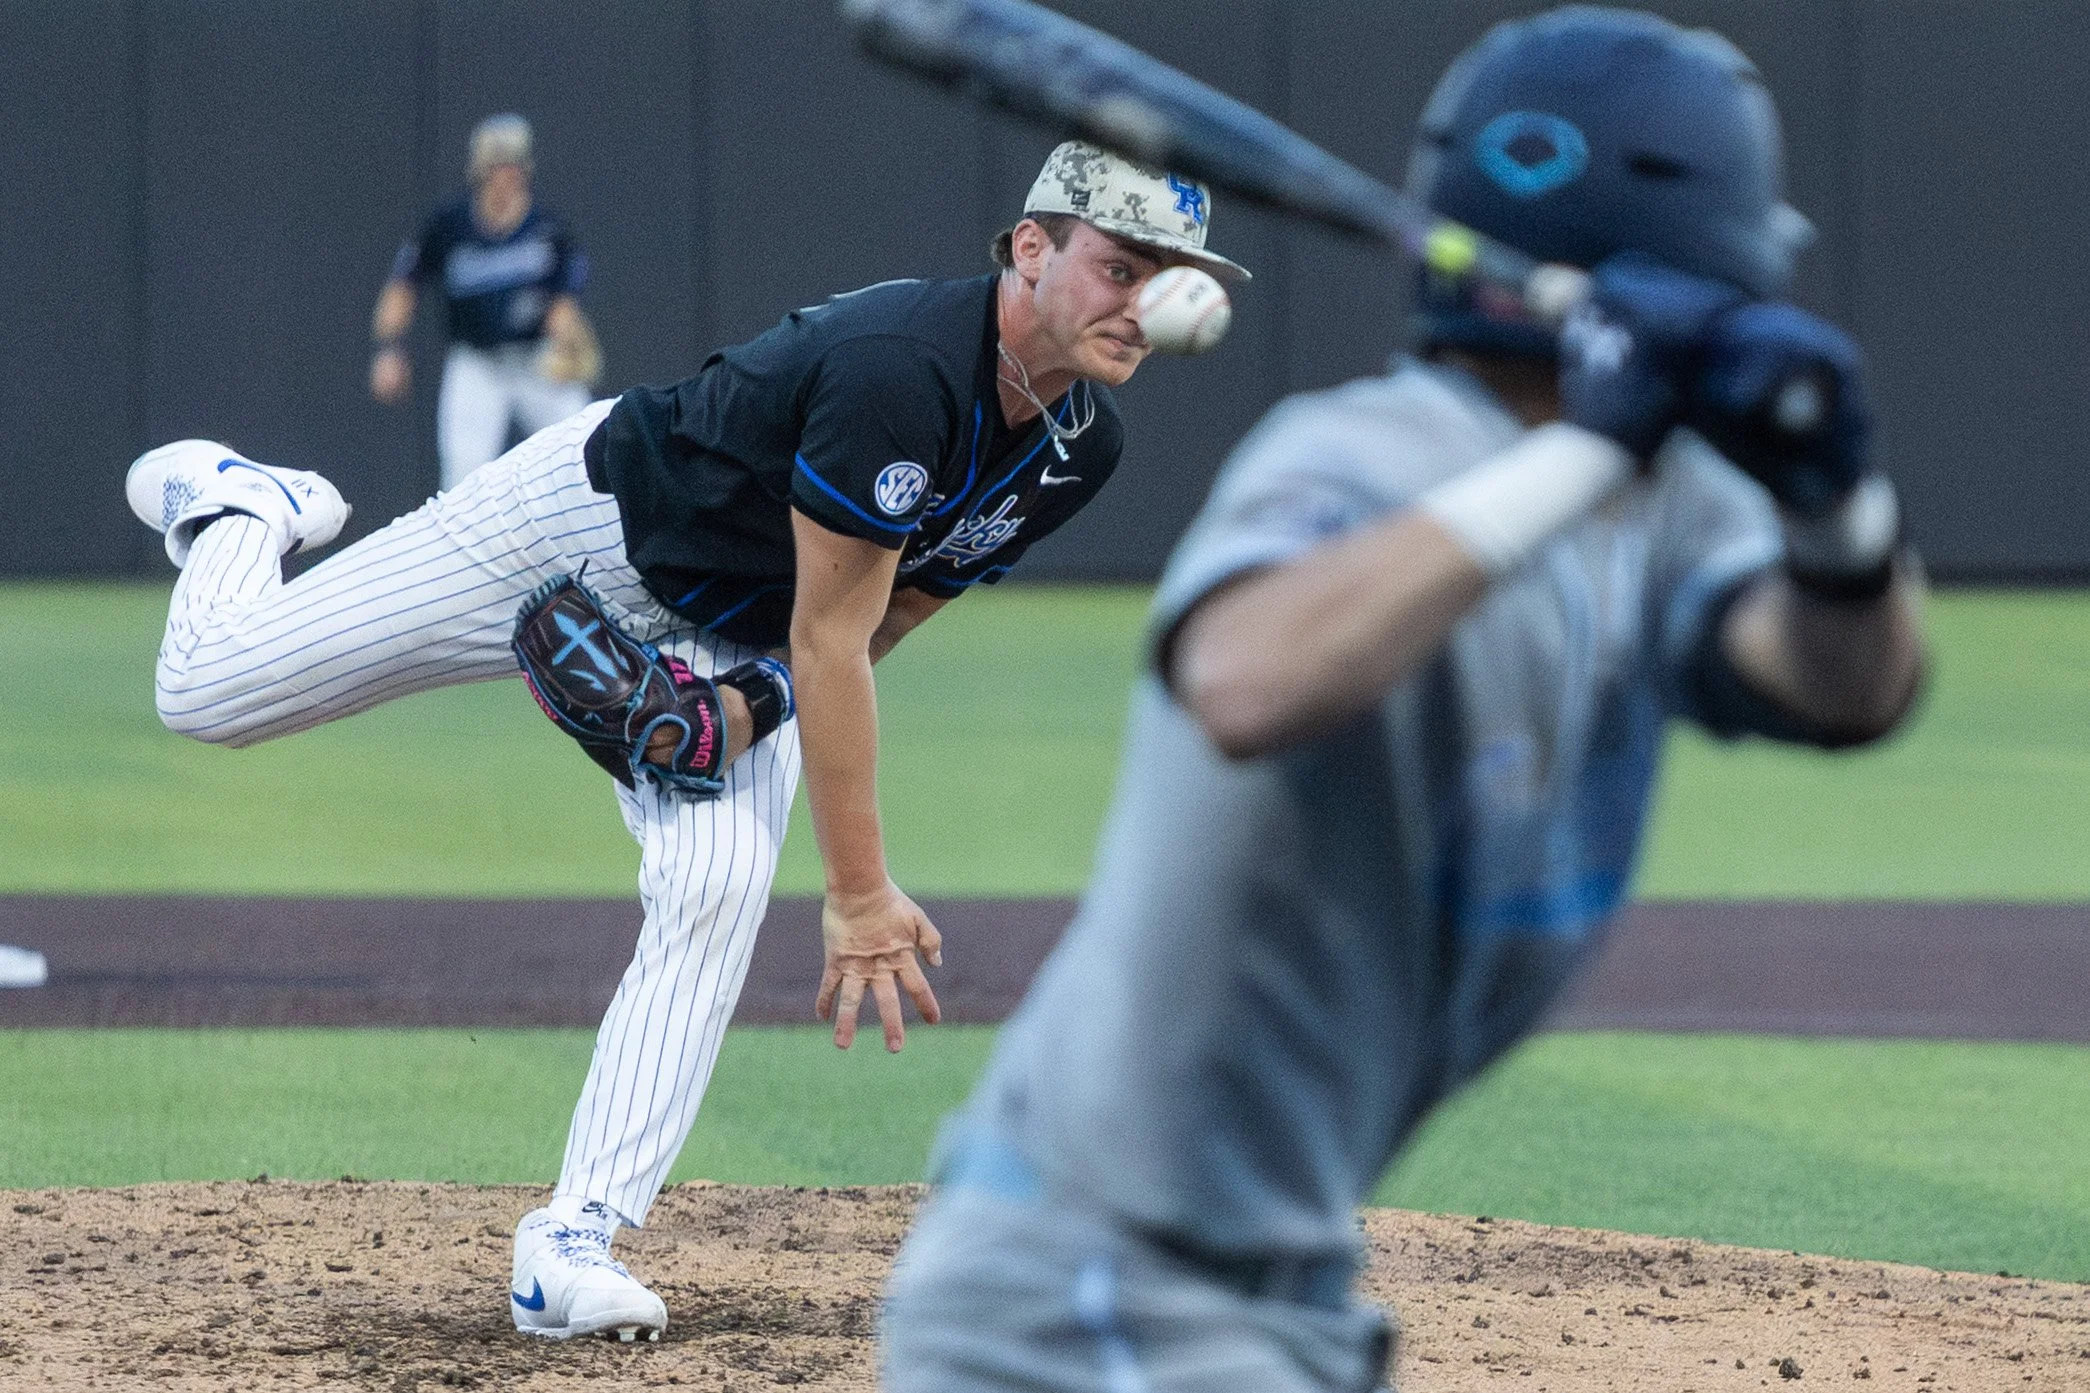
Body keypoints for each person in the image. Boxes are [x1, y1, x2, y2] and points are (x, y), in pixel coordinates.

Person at [879, 10, 1925, 1391]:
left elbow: (1843, 688)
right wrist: (1585, 456)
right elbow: (1242, 680)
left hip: (1270, 1300)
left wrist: (1837, 511)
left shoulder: (1666, 513)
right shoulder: (1364, 455)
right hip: (1087, 1292)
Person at [121, 141, 1249, 1344]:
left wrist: (743, 707)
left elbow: (890, 614)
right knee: (206, 694)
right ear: (1032, 248)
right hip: (582, 525)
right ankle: (249, 506)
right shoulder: (899, 370)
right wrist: (859, 893)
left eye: (1166, 275)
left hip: (743, 631)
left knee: (712, 882)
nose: (1144, 302)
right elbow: (832, 638)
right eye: (1119, 266)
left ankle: (572, 1240)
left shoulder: (1080, 446)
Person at [370, 113, 601, 489]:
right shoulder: (449, 226)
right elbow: (403, 285)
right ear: (479, 170)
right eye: (497, 167)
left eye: (513, 166)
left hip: (537, 361)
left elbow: (564, 305)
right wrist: (390, 348)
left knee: (585, 451)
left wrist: (565, 332)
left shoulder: (548, 230)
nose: (506, 176)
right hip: (477, 365)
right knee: (462, 479)